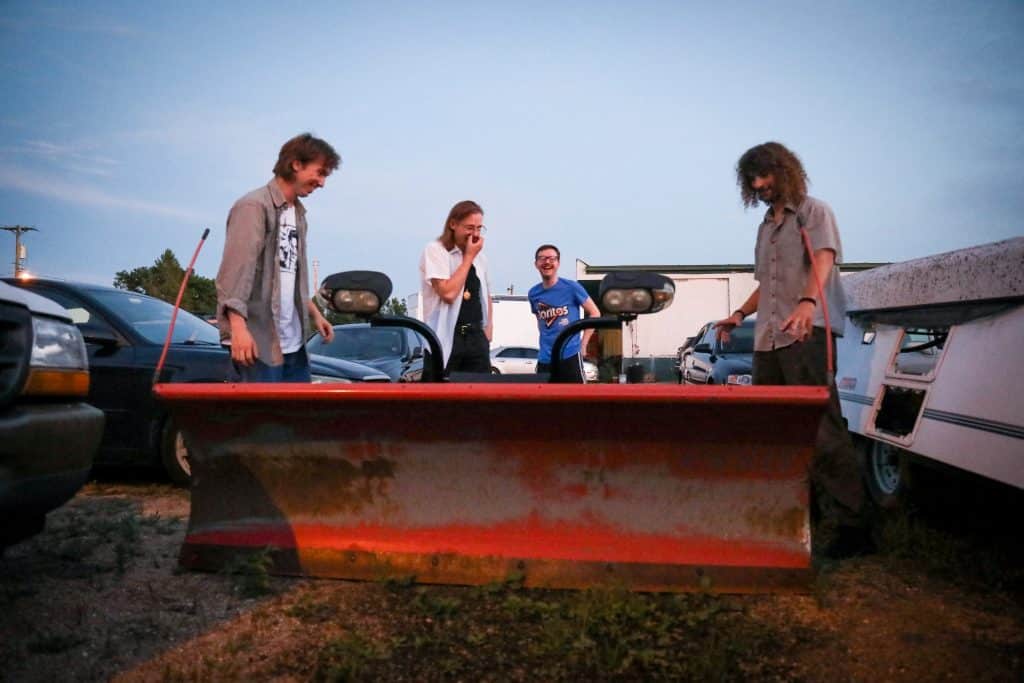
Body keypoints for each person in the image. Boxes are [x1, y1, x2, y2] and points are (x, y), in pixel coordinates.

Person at [714, 141, 869, 557]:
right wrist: (738, 315)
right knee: (776, 431)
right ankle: (800, 519)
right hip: (768, 339)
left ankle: (854, 528)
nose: (760, 185)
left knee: (821, 430)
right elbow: (767, 284)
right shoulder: (766, 225)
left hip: (807, 333)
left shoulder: (814, 211)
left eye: (765, 176)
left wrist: (807, 304)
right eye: (753, 180)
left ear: (784, 172)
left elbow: (823, 260)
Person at [216, 133, 338, 382]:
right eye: (320, 172)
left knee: (296, 419)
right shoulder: (253, 207)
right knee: (262, 420)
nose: (323, 182)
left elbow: (289, 273)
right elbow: (235, 273)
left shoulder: (298, 214)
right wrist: (237, 330)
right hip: (258, 345)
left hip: (293, 346)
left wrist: (315, 313)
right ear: (296, 164)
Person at [419, 200, 493, 373]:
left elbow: (486, 292)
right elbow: (448, 293)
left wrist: (488, 329)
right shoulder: (436, 250)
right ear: (453, 224)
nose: (474, 234)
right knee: (441, 392)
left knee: (480, 393)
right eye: (469, 227)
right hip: (446, 335)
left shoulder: (481, 259)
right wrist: (468, 257)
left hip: (476, 336)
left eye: (479, 228)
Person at [528, 244, 600, 382]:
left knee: (576, 400)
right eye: (542, 258)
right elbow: (540, 321)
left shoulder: (572, 287)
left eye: (551, 258)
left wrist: (583, 344)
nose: (547, 262)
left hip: (570, 355)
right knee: (543, 400)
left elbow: (595, 313)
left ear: (558, 263)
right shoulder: (533, 293)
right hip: (545, 359)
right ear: (536, 264)